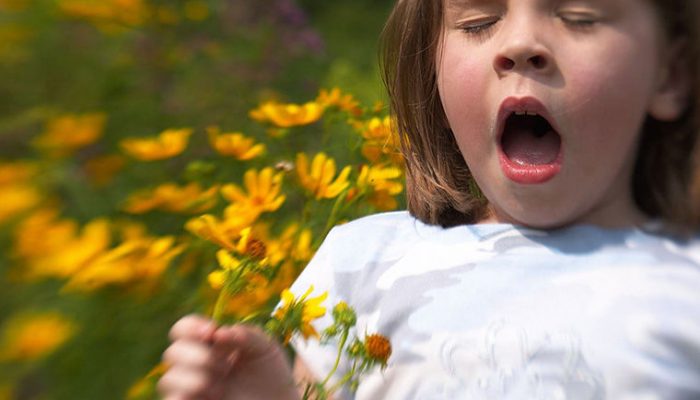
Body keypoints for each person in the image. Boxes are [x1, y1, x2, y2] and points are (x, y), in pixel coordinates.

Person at [158, 0, 700, 398]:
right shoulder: (366, 262)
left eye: (580, 16)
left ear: (670, 73)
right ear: (431, 69)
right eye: (478, 22)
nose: (519, 46)